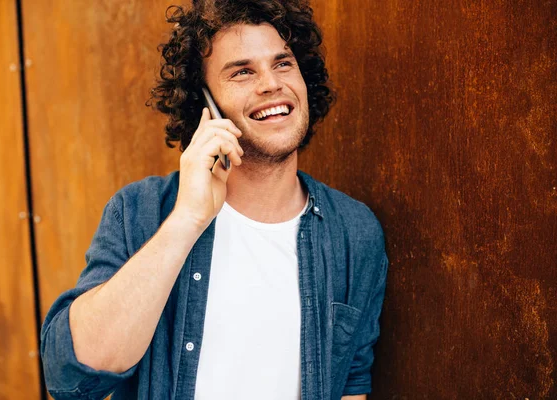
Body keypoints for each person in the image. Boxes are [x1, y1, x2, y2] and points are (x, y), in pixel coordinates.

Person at [40, 1, 388, 399]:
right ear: (205, 104)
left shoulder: (354, 231)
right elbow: (71, 378)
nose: (271, 83)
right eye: (242, 71)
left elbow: (352, 383)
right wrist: (187, 220)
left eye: (283, 64)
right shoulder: (142, 211)